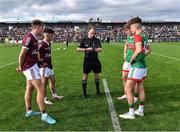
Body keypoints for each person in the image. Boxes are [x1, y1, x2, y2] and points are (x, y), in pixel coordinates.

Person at [16, 19, 56, 124]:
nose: (43, 30)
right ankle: (44, 115)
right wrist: (21, 67)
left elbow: (32, 54)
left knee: (29, 88)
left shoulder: (34, 38)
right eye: (42, 28)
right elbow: (21, 55)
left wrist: (39, 63)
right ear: (37, 27)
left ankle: (29, 111)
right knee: (41, 89)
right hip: (30, 68)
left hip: (33, 66)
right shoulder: (29, 38)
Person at [119, 17, 151, 119]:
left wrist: (132, 59)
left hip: (137, 66)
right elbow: (149, 50)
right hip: (143, 66)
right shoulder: (144, 36)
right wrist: (142, 56)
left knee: (127, 88)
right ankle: (140, 111)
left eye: (130, 27)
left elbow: (137, 50)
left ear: (134, 25)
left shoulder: (137, 36)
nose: (130, 29)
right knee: (140, 88)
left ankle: (131, 113)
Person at [38, 28, 64, 105]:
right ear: (46, 35)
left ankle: (54, 95)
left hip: (49, 66)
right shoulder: (41, 44)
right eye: (52, 35)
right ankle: (44, 98)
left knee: (53, 80)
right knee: (44, 83)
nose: (53, 37)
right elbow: (37, 55)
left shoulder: (49, 43)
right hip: (44, 67)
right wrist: (42, 63)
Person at [77, 26, 102, 98]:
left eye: (94, 33)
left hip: (95, 60)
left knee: (96, 76)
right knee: (85, 77)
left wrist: (93, 49)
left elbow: (100, 49)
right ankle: (84, 94)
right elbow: (78, 49)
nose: (93, 35)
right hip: (87, 61)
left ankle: (98, 92)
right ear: (88, 32)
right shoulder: (84, 40)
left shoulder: (97, 40)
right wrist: (86, 49)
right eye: (91, 33)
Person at [117, 23, 138, 102]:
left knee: (135, 80)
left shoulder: (137, 37)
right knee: (124, 77)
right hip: (127, 61)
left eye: (127, 30)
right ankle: (126, 93)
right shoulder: (129, 37)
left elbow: (142, 49)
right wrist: (124, 53)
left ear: (131, 29)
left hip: (134, 61)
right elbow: (126, 45)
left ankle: (135, 96)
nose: (126, 32)